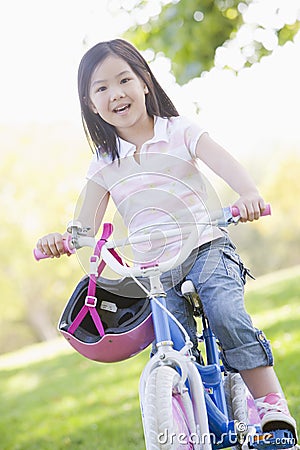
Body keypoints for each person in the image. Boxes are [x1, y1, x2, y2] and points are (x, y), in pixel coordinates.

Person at [37, 38, 297, 440]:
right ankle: (189, 417)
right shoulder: (105, 162)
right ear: (90, 103)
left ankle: (269, 404)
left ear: (144, 82)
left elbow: (225, 163)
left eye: (124, 79)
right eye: (101, 88)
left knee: (226, 313)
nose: (116, 93)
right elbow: (84, 227)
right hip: (155, 270)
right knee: (173, 344)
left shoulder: (179, 131)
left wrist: (247, 194)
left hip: (207, 246)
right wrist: (64, 240)